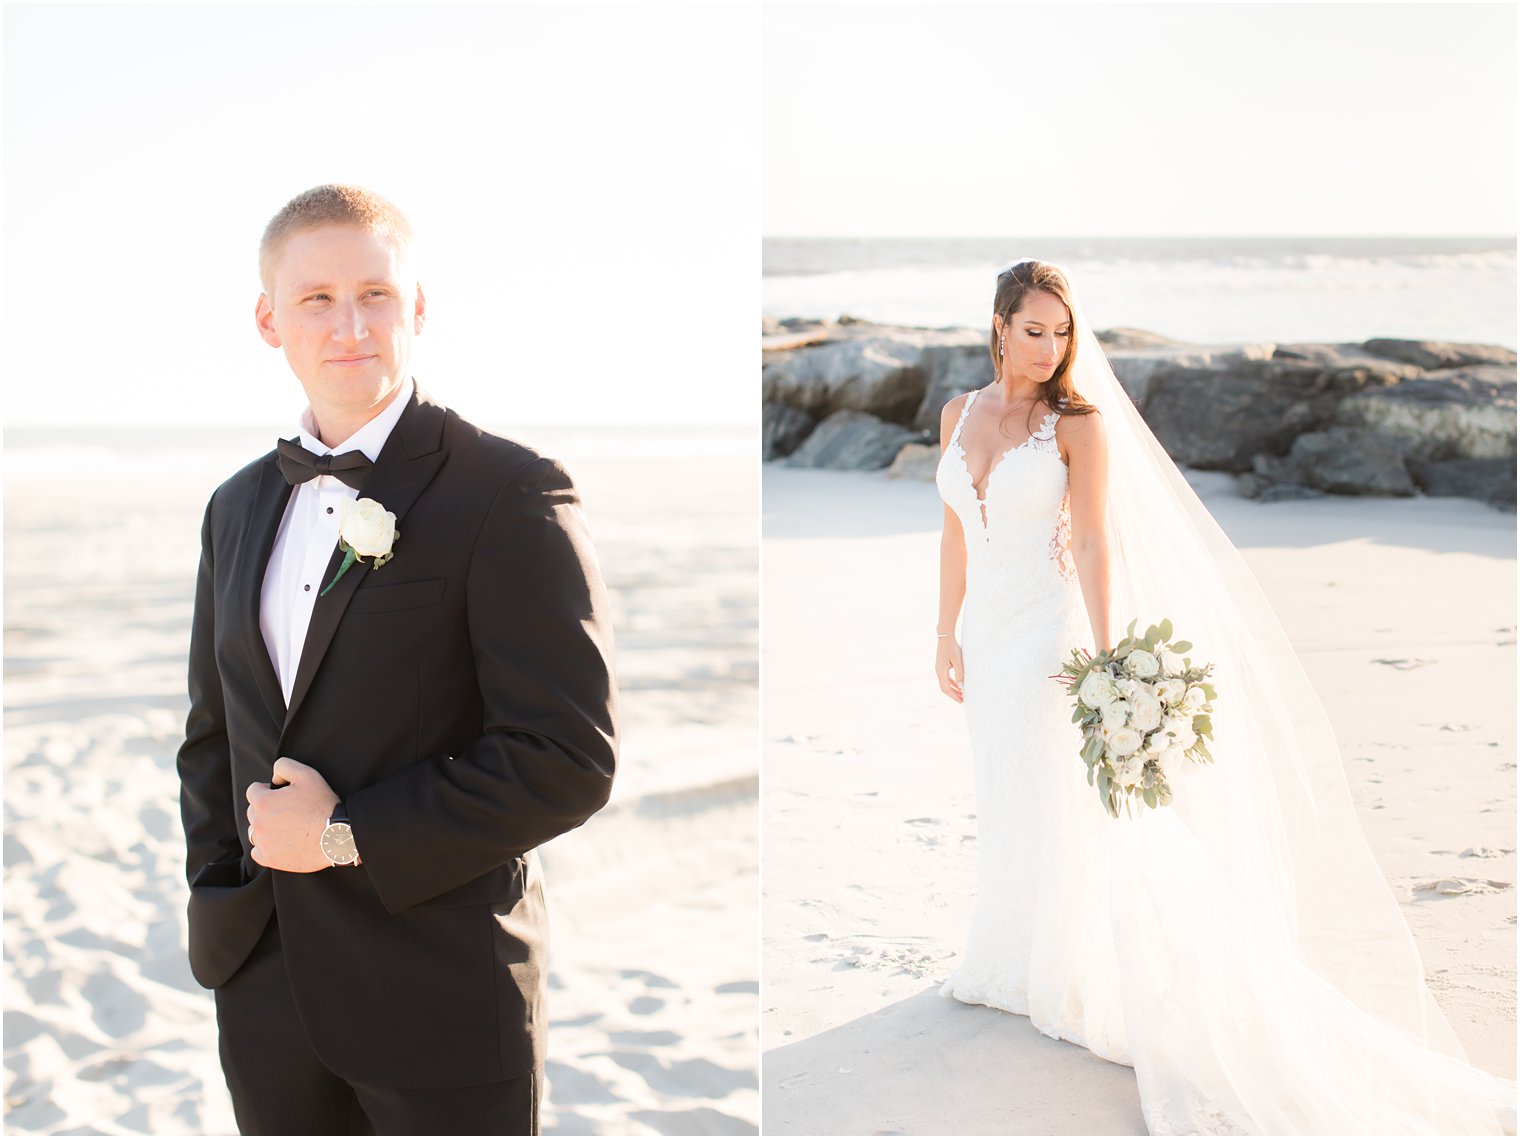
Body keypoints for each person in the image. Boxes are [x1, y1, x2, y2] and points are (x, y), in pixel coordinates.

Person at [931, 259, 1513, 1134]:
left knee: (1071, 804)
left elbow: (1092, 542)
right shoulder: (957, 413)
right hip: (989, 637)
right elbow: (953, 532)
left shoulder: (1077, 425)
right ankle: (1009, 958)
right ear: (1000, 325)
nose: (1051, 347)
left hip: (1051, 638)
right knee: (1008, 795)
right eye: (1034, 329)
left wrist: (1109, 650)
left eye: (1062, 331)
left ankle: (1084, 972)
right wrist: (944, 632)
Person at [176, 184, 618, 1135]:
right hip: (264, 988)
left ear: (418, 308)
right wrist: (221, 895)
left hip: (441, 993)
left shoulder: (509, 490)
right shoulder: (236, 506)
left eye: (376, 294)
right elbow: (213, 732)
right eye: (317, 299)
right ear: (268, 319)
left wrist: (344, 834)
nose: (351, 325)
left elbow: (568, 760)